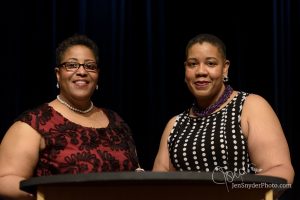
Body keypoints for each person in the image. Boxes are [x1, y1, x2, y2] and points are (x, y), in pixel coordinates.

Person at [0, 34, 141, 200]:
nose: (81, 72)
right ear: (58, 74)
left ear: (97, 75)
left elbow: (135, 170)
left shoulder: (116, 121)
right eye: (72, 65)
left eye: (90, 66)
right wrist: (48, 195)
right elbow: (5, 180)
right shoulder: (34, 123)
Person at [152, 33, 294, 185]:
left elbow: (280, 170)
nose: (201, 71)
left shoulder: (250, 107)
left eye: (211, 63)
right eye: (193, 64)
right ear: (185, 69)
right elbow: (158, 184)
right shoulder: (175, 125)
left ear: (225, 68)